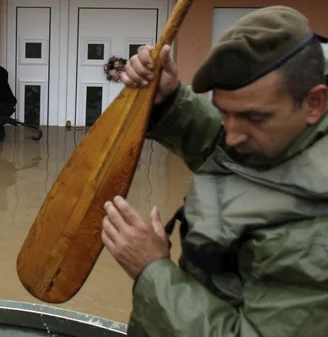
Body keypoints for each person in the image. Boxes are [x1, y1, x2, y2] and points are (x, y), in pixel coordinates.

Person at [99, 6, 328, 336]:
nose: (232, 136)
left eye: (255, 118)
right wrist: (169, 99)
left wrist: (152, 270)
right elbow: (232, 157)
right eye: (224, 113)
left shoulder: (315, 237)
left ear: (314, 104)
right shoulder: (290, 128)